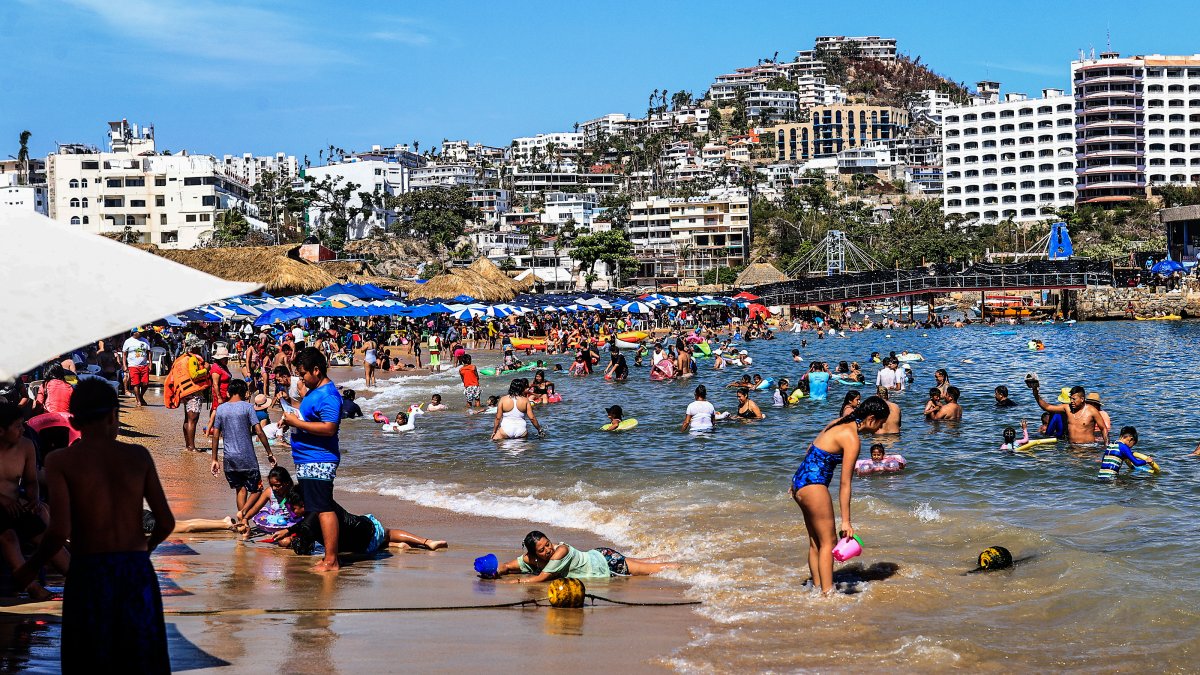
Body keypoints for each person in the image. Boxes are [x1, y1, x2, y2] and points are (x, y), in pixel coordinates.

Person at [15, 379, 174, 672]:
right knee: (141, 657)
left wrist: (30, 566)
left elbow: (59, 530)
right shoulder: (138, 455)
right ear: (114, 416)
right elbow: (165, 522)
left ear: (73, 420)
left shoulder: (60, 461)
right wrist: (145, 552)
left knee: (88, 658)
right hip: (135, 570)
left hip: (88, 572)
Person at [789, 397, 890, 595]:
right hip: (814, 485)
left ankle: (817, 589)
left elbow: (810, 449)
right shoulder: (851, 437)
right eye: (881, 422)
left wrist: (798, 481)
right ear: (871, 418)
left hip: (799, 483)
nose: (880, 428)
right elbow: (845, 483)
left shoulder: (837, 423)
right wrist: (846, 522)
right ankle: (827, 594)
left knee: (815, 542)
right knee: (829, 543)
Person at [279, 348, 343, 573]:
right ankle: (328, 555)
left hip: (319, 459)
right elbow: (309, 416)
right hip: (307, 458)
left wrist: (298, 424)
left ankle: (332, 559)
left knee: (324, 508)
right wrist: (291, 417)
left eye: (303, 373)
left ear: (316, 370)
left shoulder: (328, 395)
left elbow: (329, 428)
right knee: (316, 507)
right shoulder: (314, 392)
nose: (301, 378)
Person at [268, 489, 446, 555]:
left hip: (361, 549)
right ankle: (427, 542)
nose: (292, 511)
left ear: (302, 504)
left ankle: (392, 545)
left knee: (387, 535)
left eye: (293, 507)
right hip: (366, 530)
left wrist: (290, 540)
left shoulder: (307, 525)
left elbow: (303, 550)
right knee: (386, 533)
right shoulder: (324, 503)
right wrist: (289, 530)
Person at [493, 530, 671, 582]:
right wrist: (496, 571)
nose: (548, 549)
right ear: (533, 554)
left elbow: (540, 578)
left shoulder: (561, 551)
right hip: (600, 555)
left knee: (655, 569)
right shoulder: (531, 559)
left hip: (608, 563)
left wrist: (514, 583)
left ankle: (687, 568)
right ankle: (678, 555)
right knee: (649, 561)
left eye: (548, 544)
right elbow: (508, 566)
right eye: (542, 550)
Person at [210, 379, 276, 518]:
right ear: (244, 393)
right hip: (247, 458)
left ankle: (242, 523)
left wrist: (214, 459)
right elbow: (259, 431)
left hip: (229, 458)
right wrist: (269, 453)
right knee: (257, 490)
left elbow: (215, 435)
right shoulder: (247, 408)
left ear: (228, 393)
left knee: (240, 490)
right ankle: (243, 514)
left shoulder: (221, 409)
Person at [163, 346, 211, 453]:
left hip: (185, 393)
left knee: (187, 419)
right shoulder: (193, 359)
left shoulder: (181, 359)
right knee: (192, 420)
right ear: (195, 348)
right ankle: (192, 447)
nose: (201, 349)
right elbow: (194, 375)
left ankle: (188, 445)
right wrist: (206, 369)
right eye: (199, 347)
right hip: (193, 393)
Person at [1033, 384, 1108, 446]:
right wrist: (1035, 393)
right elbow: (1047, 407)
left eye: (1074, 399)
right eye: (1070, 399)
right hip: (1071, 447)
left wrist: (1106, 445)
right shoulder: (1067, 408)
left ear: (1082, 399)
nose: (1071, 401)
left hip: (1088, 447)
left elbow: (1103, 428)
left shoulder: (1091, 410)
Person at [238, 466, 300, 536]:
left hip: (291, 523)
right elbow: (256, 508)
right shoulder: (269, 492)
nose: (274, 488)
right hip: (275, 522)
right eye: (271, 485)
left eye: (277, 485)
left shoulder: (295, 492)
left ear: (287, 483)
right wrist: (245, 518)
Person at [121, 330, 152, 407]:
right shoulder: (128, 341)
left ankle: (140, 396)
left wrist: (150, 364)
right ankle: (138, 400)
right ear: (134, 332)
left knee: (146, 383)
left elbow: (149, 353)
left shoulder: (145, 341)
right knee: (136, 384)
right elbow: (124, 354)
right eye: (139, 332)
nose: (140, 333)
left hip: (144, 365)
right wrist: (124, 365)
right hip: (133, 366)